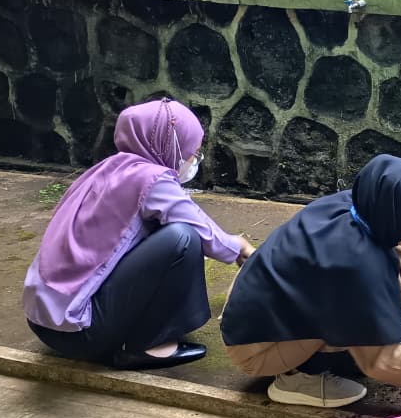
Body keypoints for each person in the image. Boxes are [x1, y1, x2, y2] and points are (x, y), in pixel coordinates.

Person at [221, 154, 401, 408]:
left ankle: (321, 350)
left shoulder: (357, 204)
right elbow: (383, 361)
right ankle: (299, 380)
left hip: (248, 306)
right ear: (396, 220)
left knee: (372, 314)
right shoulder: (356, 265)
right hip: (255, 347)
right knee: (361, 320)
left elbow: (396, 240)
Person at [23, 98, 255, 370]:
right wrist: (238, 246)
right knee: (182, 238)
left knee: (164, 234)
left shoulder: (106, 170)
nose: (195, 160)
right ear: (170, 146)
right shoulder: (151, 179)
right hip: (81, 334)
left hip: (43, 323)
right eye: (193, 152)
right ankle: (148, 346)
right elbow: (200, 228)